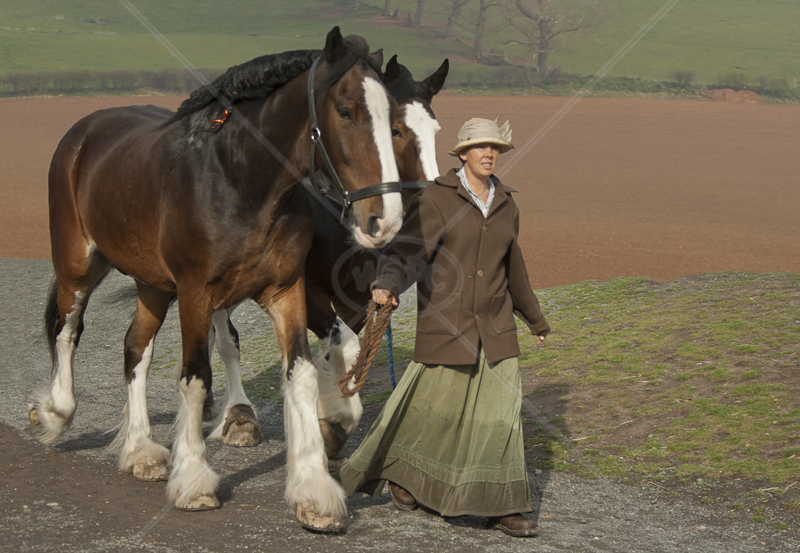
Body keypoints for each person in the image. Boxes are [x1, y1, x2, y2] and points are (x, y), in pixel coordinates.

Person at [335, 117, 550, 537]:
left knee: (501, 419)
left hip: (495, 327)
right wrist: (387, 284)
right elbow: (409, 252)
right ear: (463, 153)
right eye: (481, 147)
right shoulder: (437, 199)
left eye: (495, 148)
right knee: (430, 415)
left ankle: (503, 506)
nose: (489, 154)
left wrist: (534, 318)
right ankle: (402, 476)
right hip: (446, 325)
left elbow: (514, 266)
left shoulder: (506, 202)